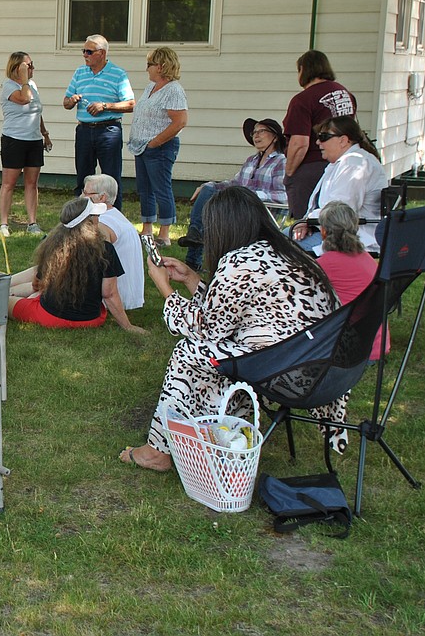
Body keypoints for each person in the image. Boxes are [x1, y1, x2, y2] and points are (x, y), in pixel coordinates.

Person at [121, 186, 338, 472]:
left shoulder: (239, 262)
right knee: (222, 352)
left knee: (190, 352)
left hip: (283, 371)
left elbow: (208, 329)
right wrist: (192, 279)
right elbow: (230, 313)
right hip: (319, 367)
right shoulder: (288, 252)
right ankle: (227, 429)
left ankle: (158, 451)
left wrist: (164, 288)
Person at [7, 197, 145, 333]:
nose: (99, 218)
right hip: (91, 319)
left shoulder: (53, 246)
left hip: (49, 316)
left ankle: (1, 288)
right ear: (89, 221)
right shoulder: (106, 249)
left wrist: (38, 293)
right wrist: (128, 326)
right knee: (34, 296)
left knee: (4, 302)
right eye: (96, 215)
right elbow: (109, 294)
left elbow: (38, 282)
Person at [178, 118, 287, 270]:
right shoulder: (251, 160)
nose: (256, 135)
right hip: (239, 209)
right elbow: (234, 184)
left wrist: (250, 195)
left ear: (275, 137)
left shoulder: (281, 161)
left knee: (215, 215)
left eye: (262, 131)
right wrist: (209, 185)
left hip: (262, 214)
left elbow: (284, 196)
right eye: (254, 132)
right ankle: (193, 245)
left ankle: (195, 249)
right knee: (209, 191)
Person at [292, 116, 386, 254]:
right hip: (331, 232)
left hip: (352, 240)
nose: (318, 142)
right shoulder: (343, 163)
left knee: (281, 248)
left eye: (324, 137)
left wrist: (307, 222)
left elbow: (340, 211)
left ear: (343, 140)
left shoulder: (354, 164)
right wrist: (306, 221)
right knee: (276, 241)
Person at [62, 34, 135, 208]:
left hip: (108, 131)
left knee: (111, 178)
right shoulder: (80, 72)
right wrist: (71, 101)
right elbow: (65, 102)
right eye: (84, 51)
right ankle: (82, 218)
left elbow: (131, 104)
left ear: (101, 53)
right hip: (84, 130)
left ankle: (113, 219)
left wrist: (105, 106)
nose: (85, 55)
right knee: (83, 177)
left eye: (89, 51)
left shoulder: (118, 74)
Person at [282, 50, 357, 219]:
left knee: (305, 223)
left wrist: (290, 172)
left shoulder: (303, 100)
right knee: (335, 219)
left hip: (311, 167)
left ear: (303, 69)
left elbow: (300, 143)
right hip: (343, 165)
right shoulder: (345, 94)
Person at [127, 47, 188, 246]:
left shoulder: (173, 90)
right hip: (142, 147)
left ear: (161, 66)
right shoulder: (150, 88)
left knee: (161, 188)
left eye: (150, 65)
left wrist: (156, 142)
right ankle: (146, 229)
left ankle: (164, 233)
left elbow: (179, 122)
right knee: (145, 189)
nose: (147, 69)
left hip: (160, 148)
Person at [318, 201, 389, 362]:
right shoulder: (367, 258)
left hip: (353, 351)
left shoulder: (326, 264)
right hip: (377, 343)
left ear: (323, 231)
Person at [0, 51, 52, 237]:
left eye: (31, 65)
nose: (32, 69)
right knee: (9, 183)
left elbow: (36, 111)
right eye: (27, 66)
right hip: (14, 139)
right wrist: (23, 79)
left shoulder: (31, 85)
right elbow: (24, 99)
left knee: (32, 183)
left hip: (34, 140)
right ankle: (3, 224)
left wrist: (44, 133)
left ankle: (32, 223)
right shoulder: (9, 86)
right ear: (16, 68)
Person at [83, 173, 144, 311]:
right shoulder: (115, 216)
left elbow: (91, 264)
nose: (81, 197)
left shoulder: (102, 223)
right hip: (129, 295)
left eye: (86, 193)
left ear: (102, 197)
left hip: (115, 296)